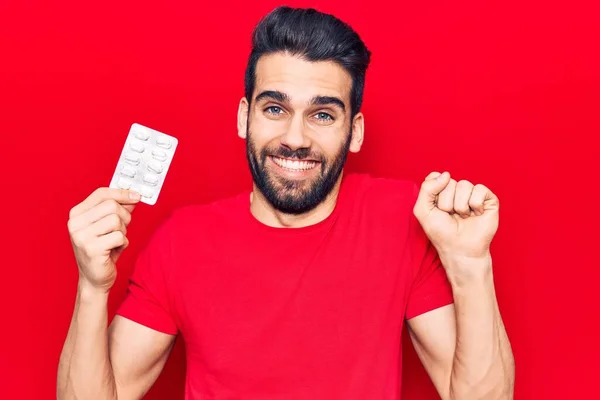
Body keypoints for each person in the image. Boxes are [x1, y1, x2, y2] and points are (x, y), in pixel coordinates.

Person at [57, 6, 514, 400]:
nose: (295, 139)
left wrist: (471, 264)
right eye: (275, 108)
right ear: (244, 117)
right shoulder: (182, 242)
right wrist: (92, 288)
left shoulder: (403, 220)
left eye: (321, 114)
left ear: (354, 131)